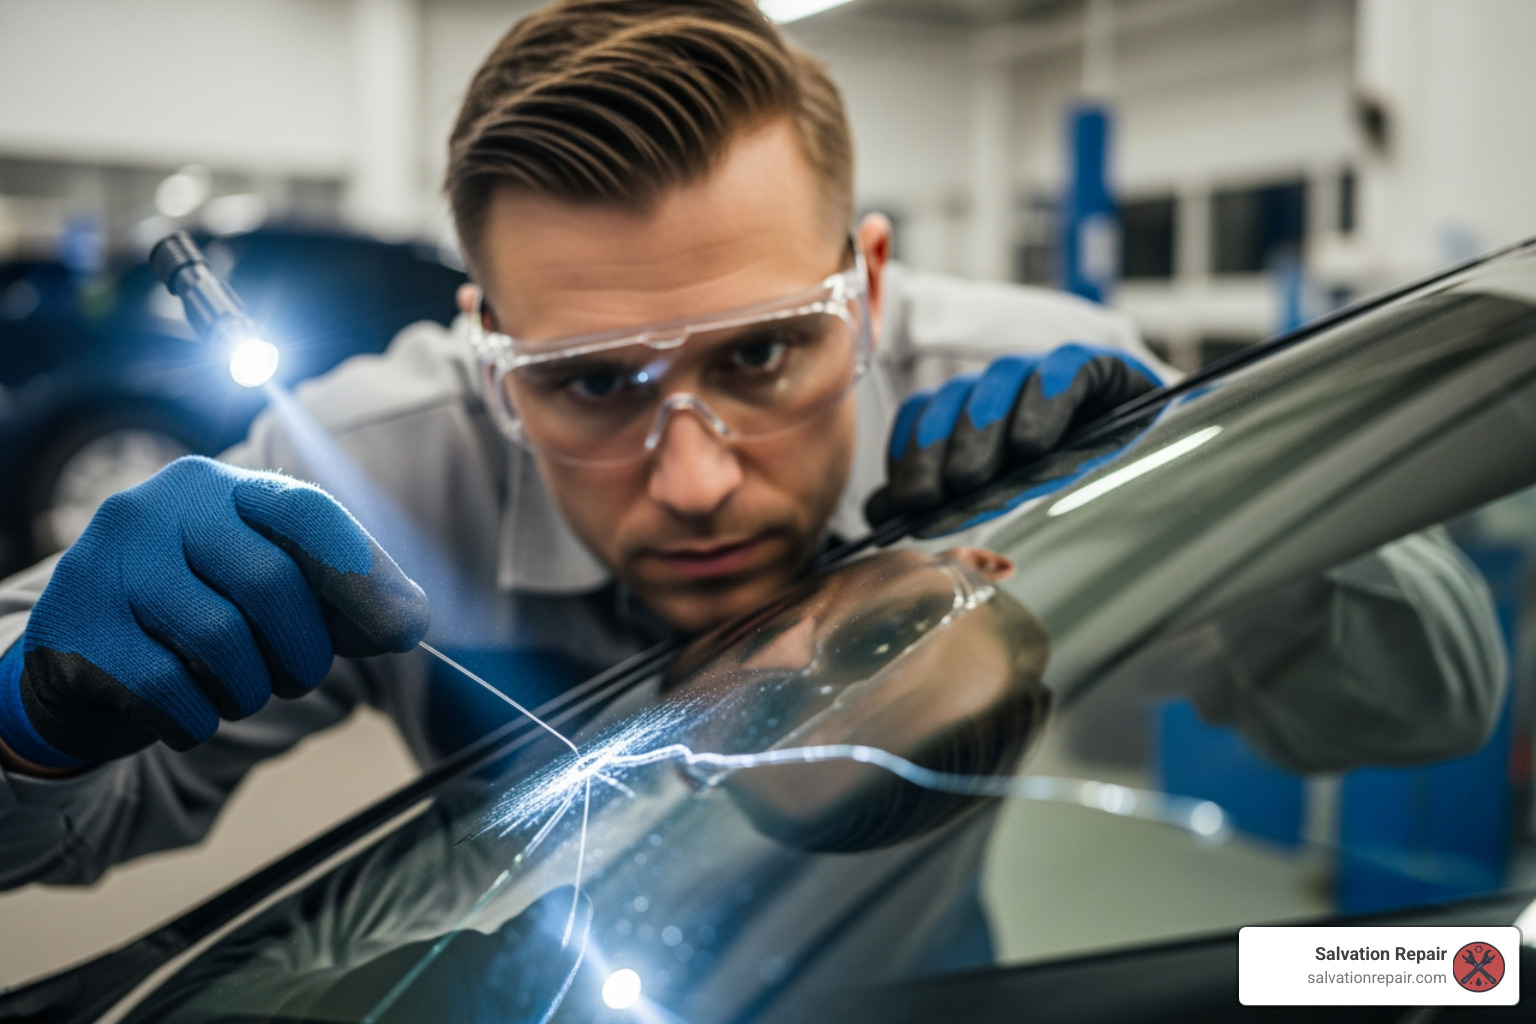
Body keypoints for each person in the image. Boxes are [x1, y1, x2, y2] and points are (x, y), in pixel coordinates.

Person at [0, 0, 1168, 889]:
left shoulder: (1035, 395)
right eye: (594, 381)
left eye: (761, 357)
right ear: (487, 346)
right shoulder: (382, 466)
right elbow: (65, 832)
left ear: (865, 284)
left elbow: (1314, 699)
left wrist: (1185, 472)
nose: (697, 481)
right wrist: (31, 718)